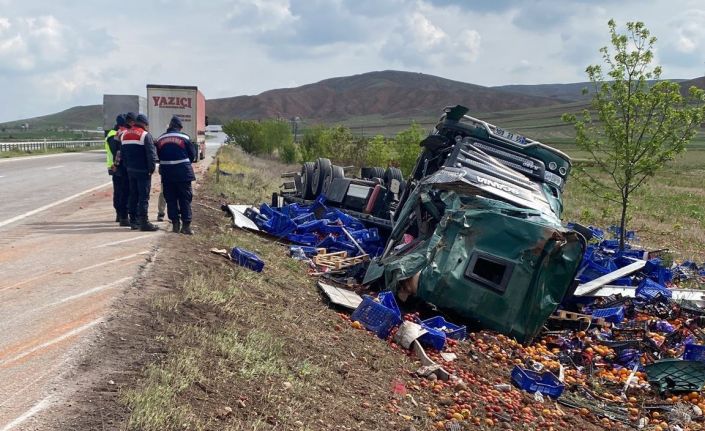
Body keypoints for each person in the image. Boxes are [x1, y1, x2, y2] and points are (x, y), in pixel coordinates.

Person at [155, 115, 196, 234]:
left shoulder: (161, 139)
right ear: (180, 127)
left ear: (170, 126)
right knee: (185, 199)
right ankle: (186, 226)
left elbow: (159, 155)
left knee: (171, 199)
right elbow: (192, 156)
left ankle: (175, 225)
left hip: (167, 174)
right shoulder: (185, 138)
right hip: (183, 174)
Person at [121, 113, 159, 231]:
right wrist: (151, 169)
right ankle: (144, 222)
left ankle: (133, 221)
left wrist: (128, 167)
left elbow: (123, 155)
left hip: (130, 170)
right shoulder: (145, 135)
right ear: (144, 124)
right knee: (143, 197)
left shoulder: (124, 134)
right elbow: (151, 155)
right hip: (143, 171)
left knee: (133, 195)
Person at [105, 114, 130, 226]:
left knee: (119, 191)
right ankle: (120, 214)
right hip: (117, 167)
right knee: (121, 192)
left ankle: (120, 214)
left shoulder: (112, 133)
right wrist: (116, 164)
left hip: (115, 167)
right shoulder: (115, 135)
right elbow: (118, 152)